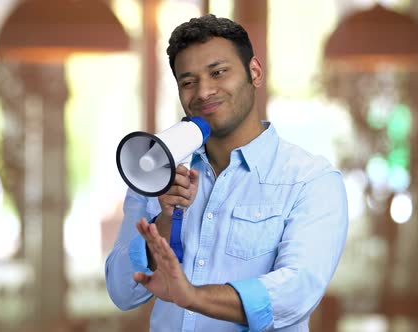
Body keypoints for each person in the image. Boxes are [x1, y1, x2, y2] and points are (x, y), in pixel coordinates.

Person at [105, 14, 348, 332]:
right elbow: (123, 292)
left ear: (255, 72)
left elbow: (295, 293)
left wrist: (192, 297)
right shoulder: (156, 173)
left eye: (218, 72)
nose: (203, 91)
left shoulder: (310, 181)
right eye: (188, 81)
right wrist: (165, 221)